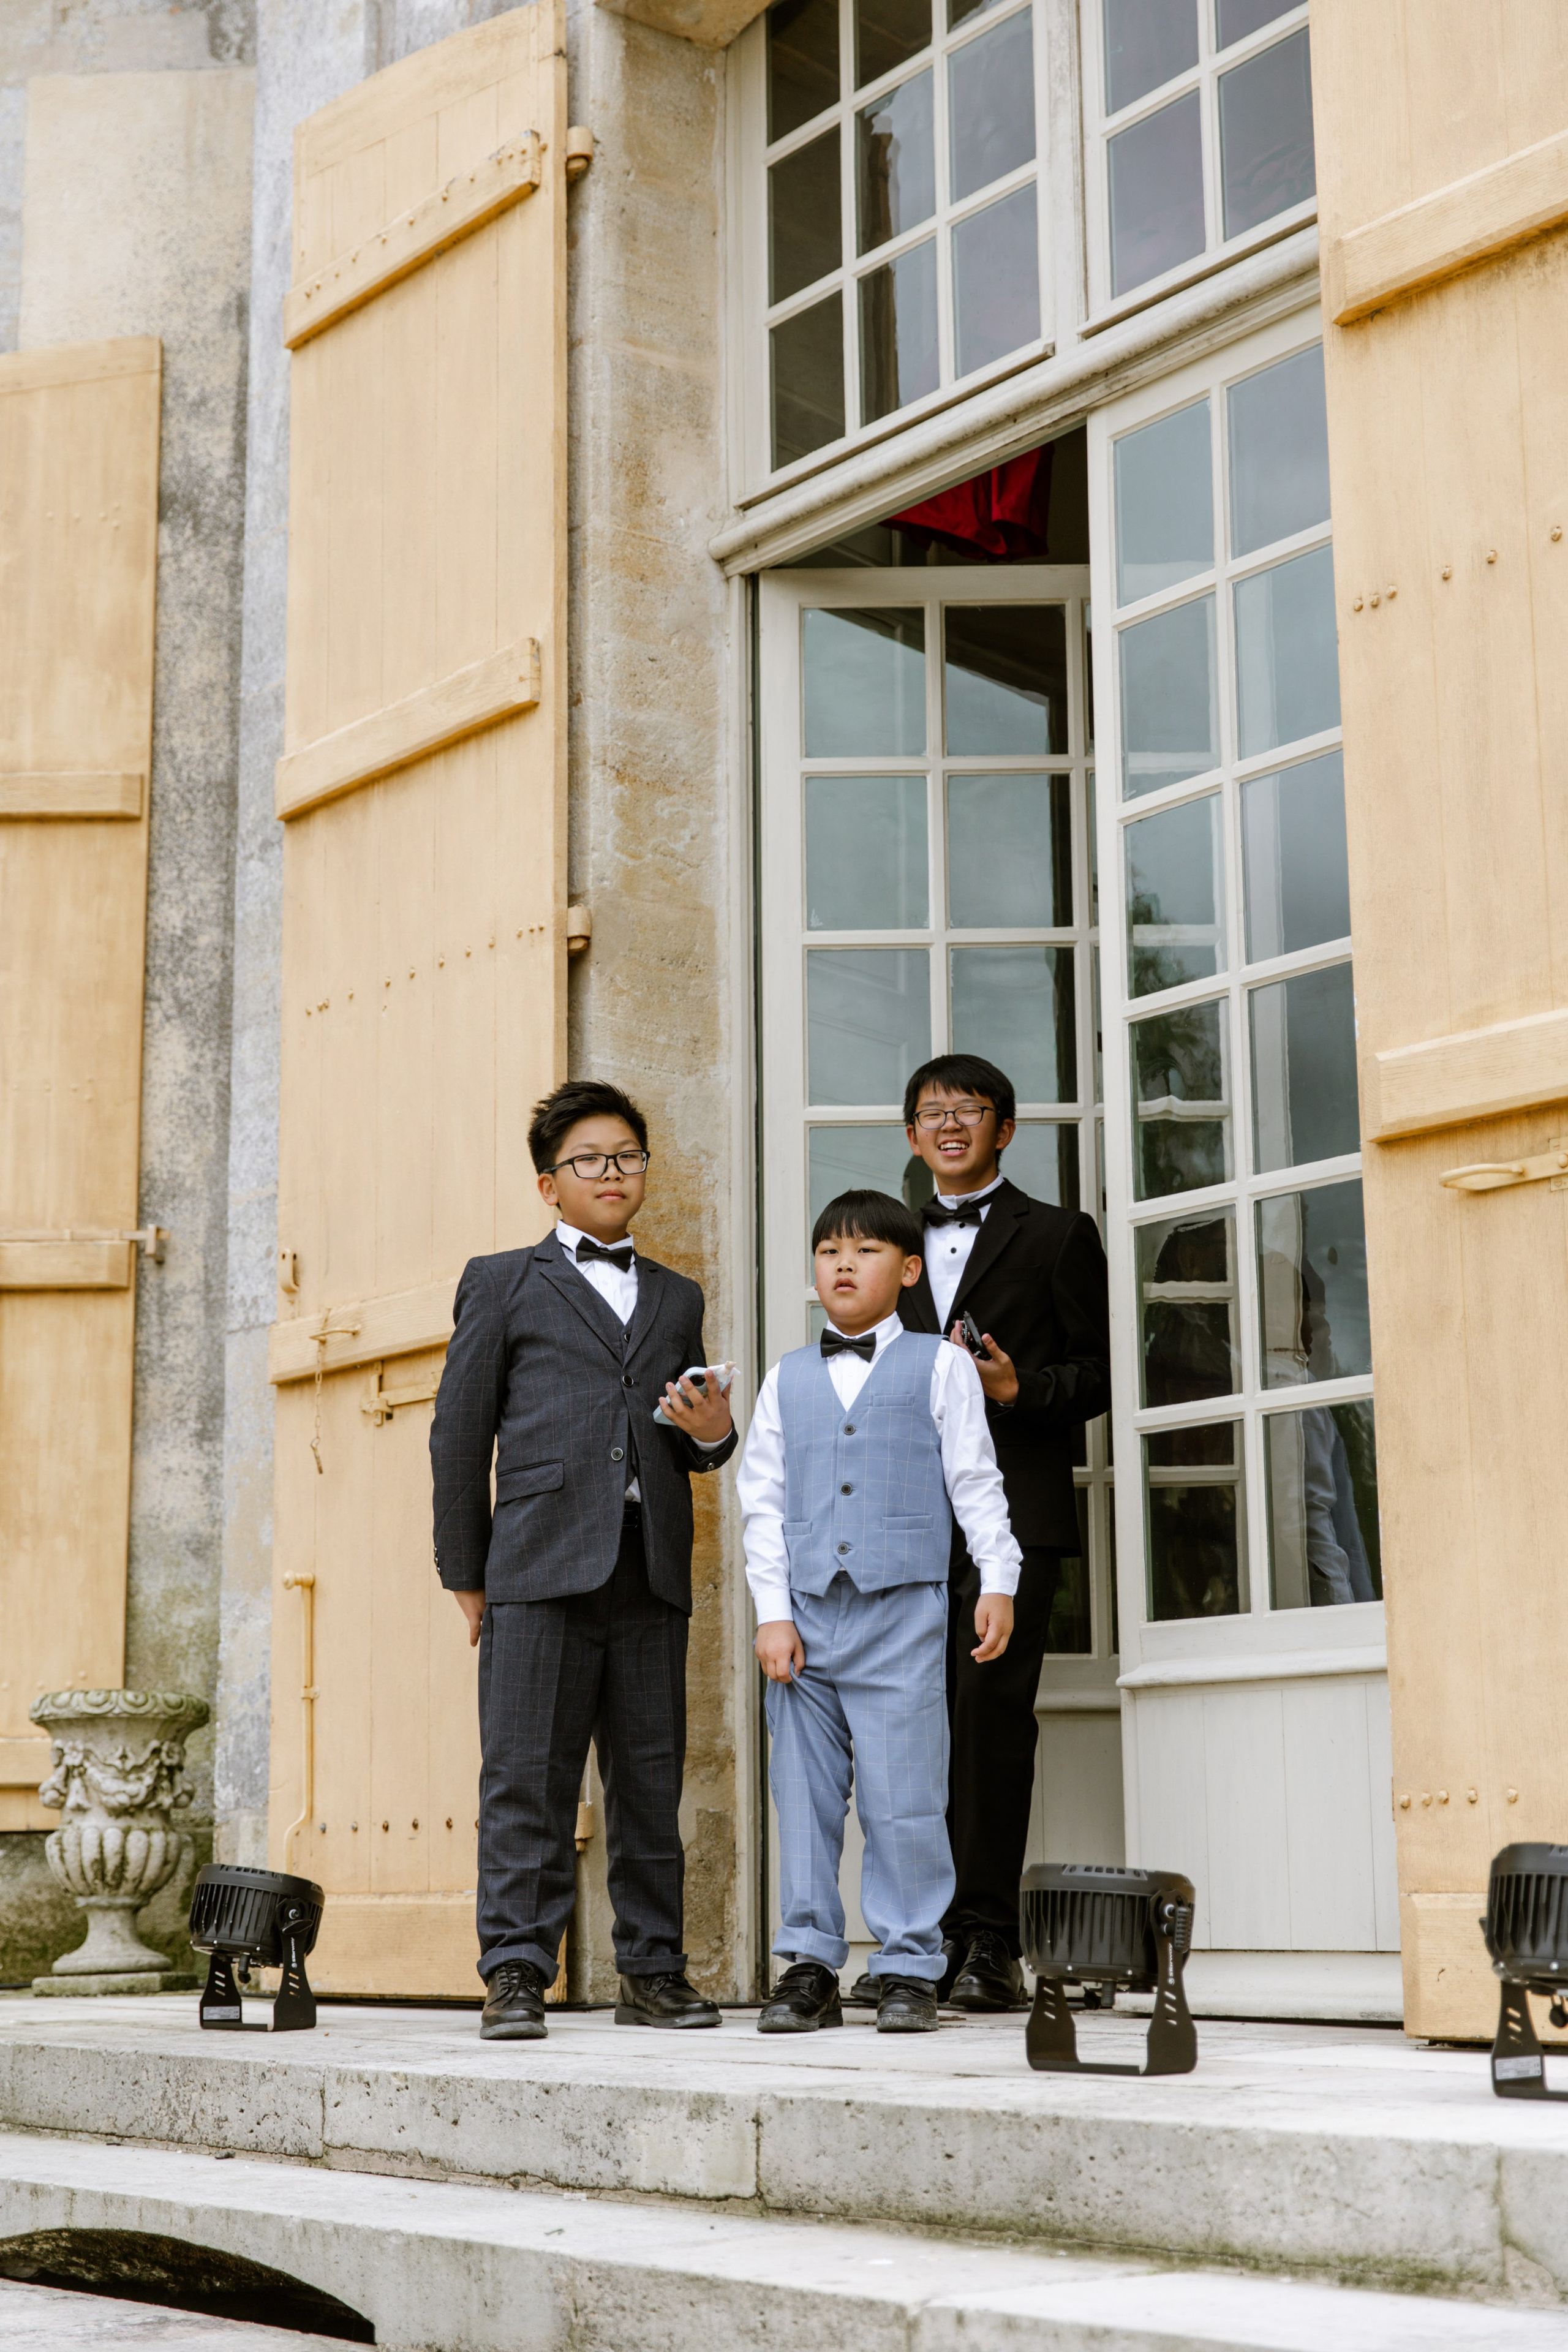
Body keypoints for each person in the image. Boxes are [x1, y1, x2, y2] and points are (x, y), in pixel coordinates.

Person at [430, 1079, 737, 2040]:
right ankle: (517, 1970)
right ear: (548, 1185)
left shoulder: (678, 1295)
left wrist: (717, 1435)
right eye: (590, 1161)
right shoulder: (502, 1280)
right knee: (526, 1777)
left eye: (627, 1157)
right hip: (536, 1568)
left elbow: (687, 1436)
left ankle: (652, 1973)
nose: (612, 1173)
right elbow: (458, 1435)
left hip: (648, 1568)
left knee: (651, 1782)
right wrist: (466, 1572)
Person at [738, 1189, 1021, 2035]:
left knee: (905, 1798)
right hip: (806, 1623)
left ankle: (907, 1963)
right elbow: (763, 1503)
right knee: (806, 1796)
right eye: (829, 1252)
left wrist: (998, 1580)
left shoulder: (938, 1364)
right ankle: (810, 1965)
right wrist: (771, 1613)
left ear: (905, 1271)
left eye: (863, 1252)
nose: (843, 1265)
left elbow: (975, 1479)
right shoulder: (786, 1377)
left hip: (904, 1613)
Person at [877, 1052, 1111, 2014]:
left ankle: (987, 1945)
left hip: (1014, 1519)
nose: (948, 1125)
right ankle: (913, 1943)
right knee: (906, 1731)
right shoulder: (882, 1242)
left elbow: (1099, 1378)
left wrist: (1020, 1390)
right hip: (900, 1524)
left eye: (967, 1111)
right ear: (911, 1134)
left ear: (1004, 1130)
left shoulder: (1059, 1235)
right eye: (930, 1112)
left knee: (988, 1729)